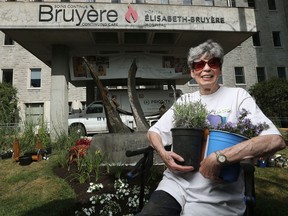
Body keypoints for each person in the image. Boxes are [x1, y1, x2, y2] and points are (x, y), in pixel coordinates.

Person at [137, 40, 286, 216]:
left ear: (220, 69)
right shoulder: (185, 101)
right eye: (199, 64)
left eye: (212, 63)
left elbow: (275, 140)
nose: (206, 68)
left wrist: (220, 157)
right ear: (193, 72)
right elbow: (154, 132)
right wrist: (163, 153)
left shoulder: (238, 96)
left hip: (216, 194)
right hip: (175, 185)